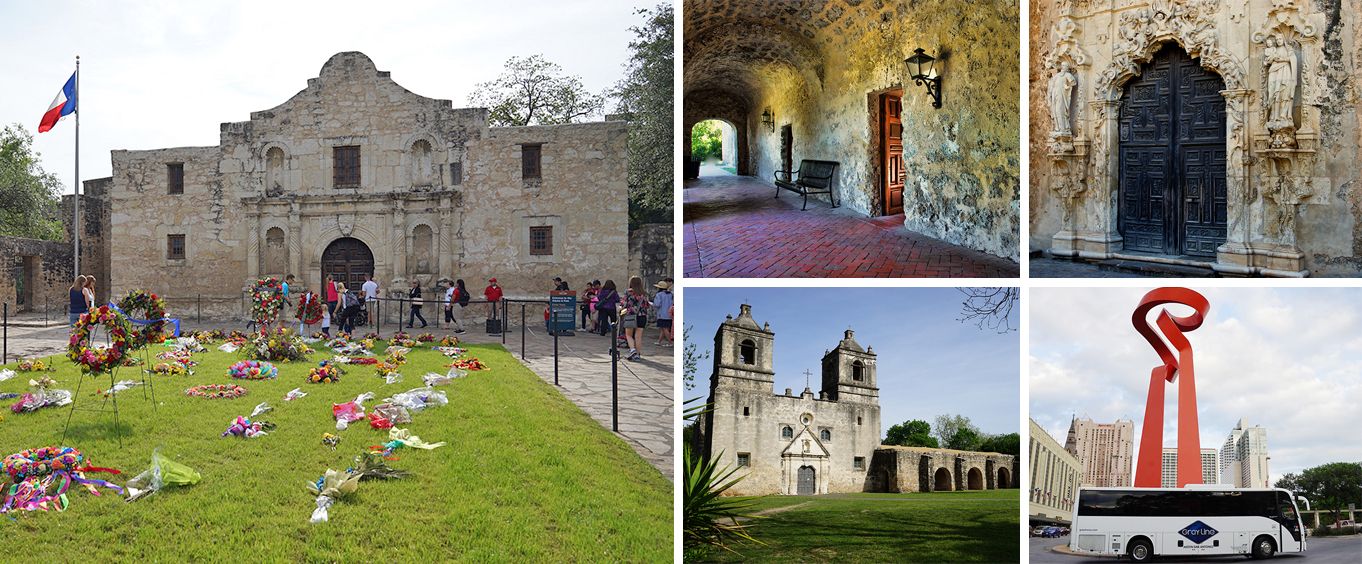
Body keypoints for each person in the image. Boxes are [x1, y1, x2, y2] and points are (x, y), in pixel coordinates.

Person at [621, 276, 651, 361]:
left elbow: (625, 304)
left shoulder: (628, 292)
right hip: (642, 316)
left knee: (628, 335)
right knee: (638, 336)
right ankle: (637, 354)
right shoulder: (644, 293)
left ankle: (632, 350)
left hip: (631, 315)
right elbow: (647, 305)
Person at [653, 280, 673, 346]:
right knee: (664, 329)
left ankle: (670, 342)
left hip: (662, 314)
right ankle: (659, 341)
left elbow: (657, 304)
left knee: (664, 329)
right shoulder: (670, 294)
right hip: (669, 314)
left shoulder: (659, 295)